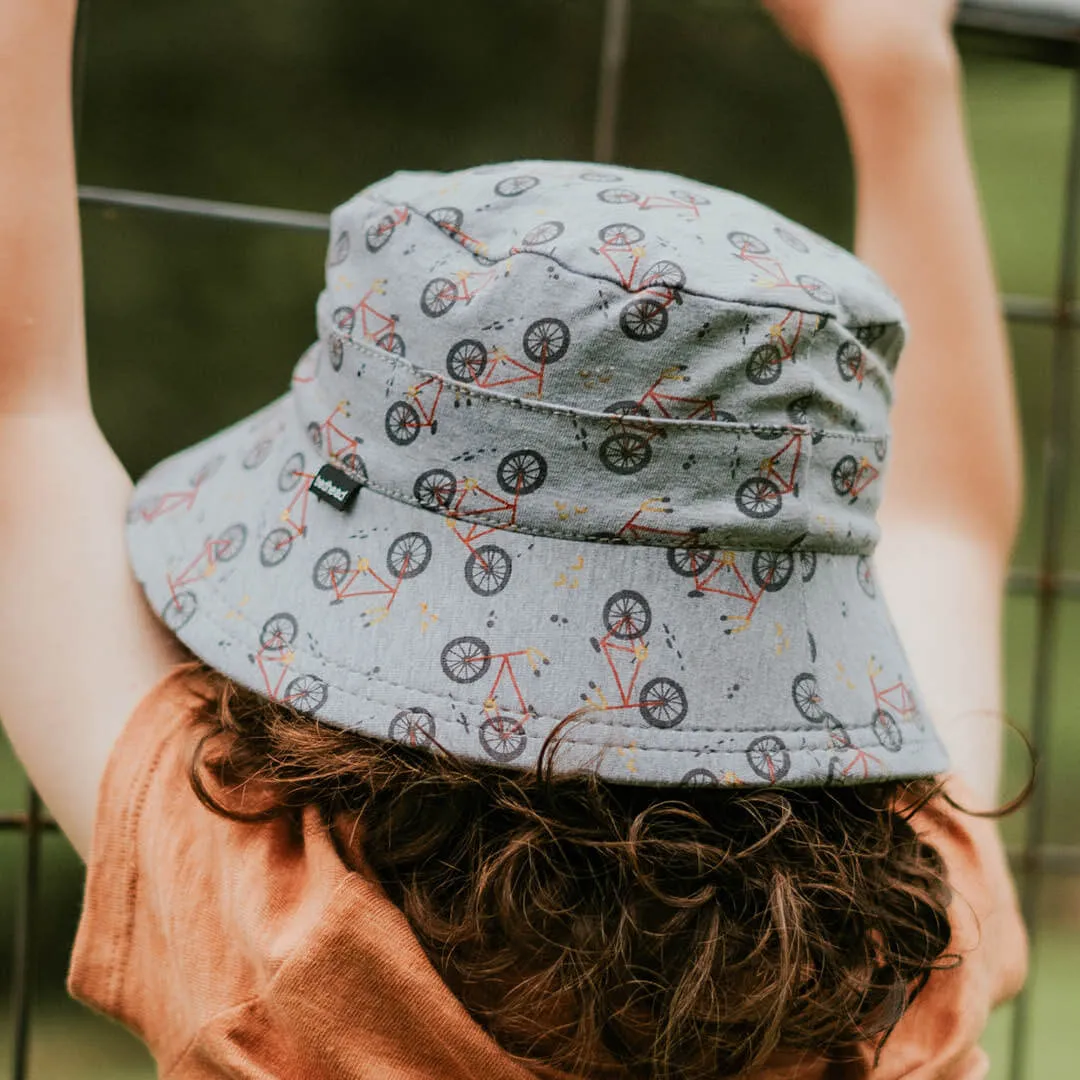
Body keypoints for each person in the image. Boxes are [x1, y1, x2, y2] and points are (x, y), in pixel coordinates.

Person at [0, 0, 1029, 1077]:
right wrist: (900, 67)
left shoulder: (290, 967)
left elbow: (23, 429)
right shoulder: (912, 966)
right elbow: (945, 528)